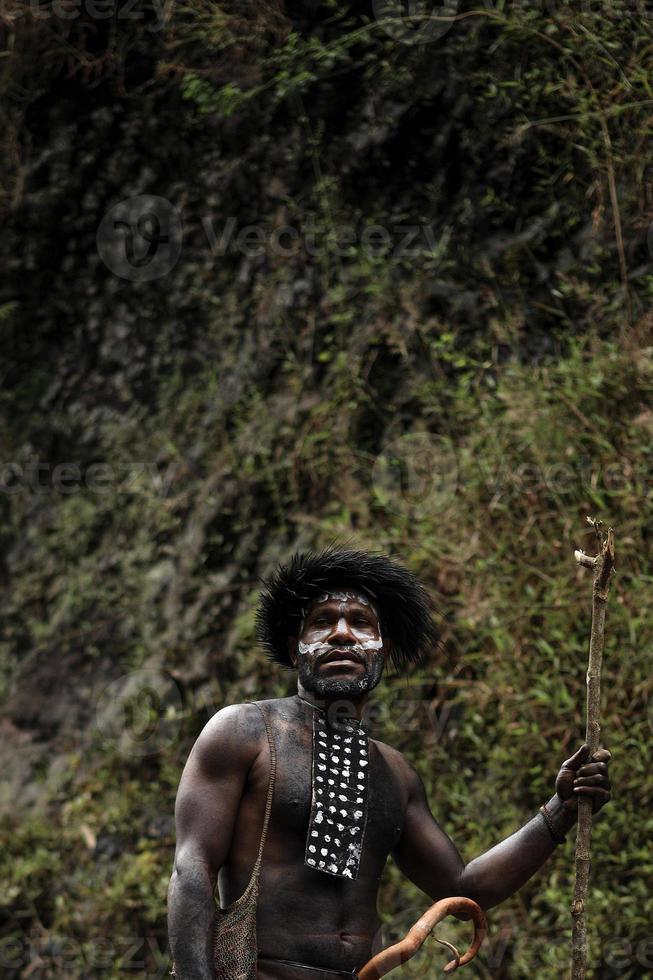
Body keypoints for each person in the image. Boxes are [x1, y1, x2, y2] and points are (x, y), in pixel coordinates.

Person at [167, 548, 611, 980]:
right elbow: (193, 870)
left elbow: (463, 889)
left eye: (361, 623)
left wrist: (560, 810)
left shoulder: (395, 775)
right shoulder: (244, 732)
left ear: (383, 649)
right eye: (321, 622)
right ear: (295, 646)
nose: (342, 634)